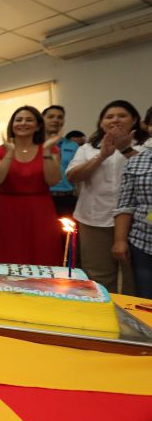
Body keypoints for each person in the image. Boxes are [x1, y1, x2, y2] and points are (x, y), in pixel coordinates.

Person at [68, 100, 148, 294]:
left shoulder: (146, 146)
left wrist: (124, 149)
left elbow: (148, 172)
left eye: (122, 116)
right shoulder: (87, 148)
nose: (115, 120)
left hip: (137, 222)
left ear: (134, 120)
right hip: (94, 219)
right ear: (101, 123)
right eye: (109, 117)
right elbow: (73, 176)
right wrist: (102, 155)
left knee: (134, 276)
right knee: (98, 276)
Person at [0, 106, 62, 265]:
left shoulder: (51, 149)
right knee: (7, 256)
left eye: (29, 120)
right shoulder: (0, 150)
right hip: (7, 211)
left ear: (38, 126)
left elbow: (53, 180)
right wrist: (10, 153)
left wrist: (46, 150)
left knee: (43, 255)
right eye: (18, 120)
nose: (23, 123)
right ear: (12, 124)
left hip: (41, 211)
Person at [113, 147, 152, 299]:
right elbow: (125, 205)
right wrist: (120, 241)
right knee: (145, 300)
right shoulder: (137, 161)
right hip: (144, 243)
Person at [42, 105, 79, 218]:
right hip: (42, 197)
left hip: (66, 199)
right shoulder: (34, 145)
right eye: (51, 117)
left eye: (59, 117)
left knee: (67, 235)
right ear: (42, 119)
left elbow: (77, 175)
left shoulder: (73, 146)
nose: (55, 120)